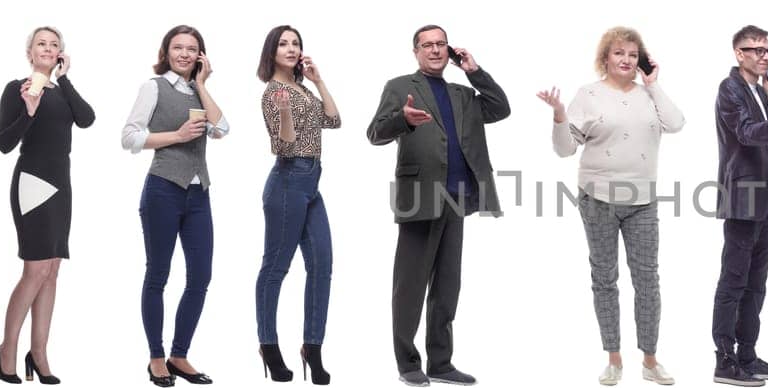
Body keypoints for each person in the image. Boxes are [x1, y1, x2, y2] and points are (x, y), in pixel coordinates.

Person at [536, 25, 686, 387]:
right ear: (605, 58)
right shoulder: (587, 95)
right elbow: (565, 149)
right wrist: (559, 115)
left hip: (642, 201)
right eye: (619, 53)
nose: (627, 60)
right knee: (605, 280)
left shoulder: (649, 94)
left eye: (633, 55)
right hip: (597, 198)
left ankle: (650, 360)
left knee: (647, 281)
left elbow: (677, 123)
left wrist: (653, 84)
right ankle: (614, 359)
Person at [368, 24, 510, 387]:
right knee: (410, 286)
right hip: (420, 197)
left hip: (458, 198)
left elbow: (500, 108)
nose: (435, 50)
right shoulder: (400, 87)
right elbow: (375, 133)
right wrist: (403, 120)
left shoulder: (463, 93)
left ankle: (441, 363)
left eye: (441, 44)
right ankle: (407, 362)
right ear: (416, 52)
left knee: (448, 285)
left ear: (451, 50)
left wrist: (474, 71)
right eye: (427, 45)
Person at [123, 24, 229, 388]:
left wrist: (203, 84)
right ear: (166, 52)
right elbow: (129, 136)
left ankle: (179, 355)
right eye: (177, 48)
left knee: (201, 276)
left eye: (192, 49)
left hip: (199, 193)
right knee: (158, 275)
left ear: (201, 55)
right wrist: (177, 136)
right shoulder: (153, 87)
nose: (184, 54)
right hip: (163, 190)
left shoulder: (200, 91)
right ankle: (156, 357)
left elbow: (224, 129)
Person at [0, 25, 96, 385]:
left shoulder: (63, 91)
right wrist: (30, 110)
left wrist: (64, 80)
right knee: (34, 271)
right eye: (42, 44)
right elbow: (4, 143)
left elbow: (87, 118)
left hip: (61, 185)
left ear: (60, 54)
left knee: (52, 271)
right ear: (30, 52)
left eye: (54, 45)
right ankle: (7, 349)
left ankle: (38, 353)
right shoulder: (17, 89)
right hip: (32, 183)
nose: (48, 49)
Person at [709, 24, 768, 388]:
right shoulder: (729, 88)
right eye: (758, 50)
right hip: (741, 198)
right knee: (733, 281)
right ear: (740, 54)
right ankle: (725, 359)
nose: (765, 56)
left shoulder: (759, 90)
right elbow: (747, 133)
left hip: (765, 200)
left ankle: (747, 355)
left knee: (757, 282)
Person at [253, 24, 342, 385]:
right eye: (283, 43)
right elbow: (284, 147)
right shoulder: (273, 92)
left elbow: (334, 121)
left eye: (296, 43)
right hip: (288, 180)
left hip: (312, 184)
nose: (291, 49)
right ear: (271, 51)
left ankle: (312, 347)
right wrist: (286, 112)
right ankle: (269, 346)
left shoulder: (302, 88)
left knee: (322, 264)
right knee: (275, 267)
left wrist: (319, 82)